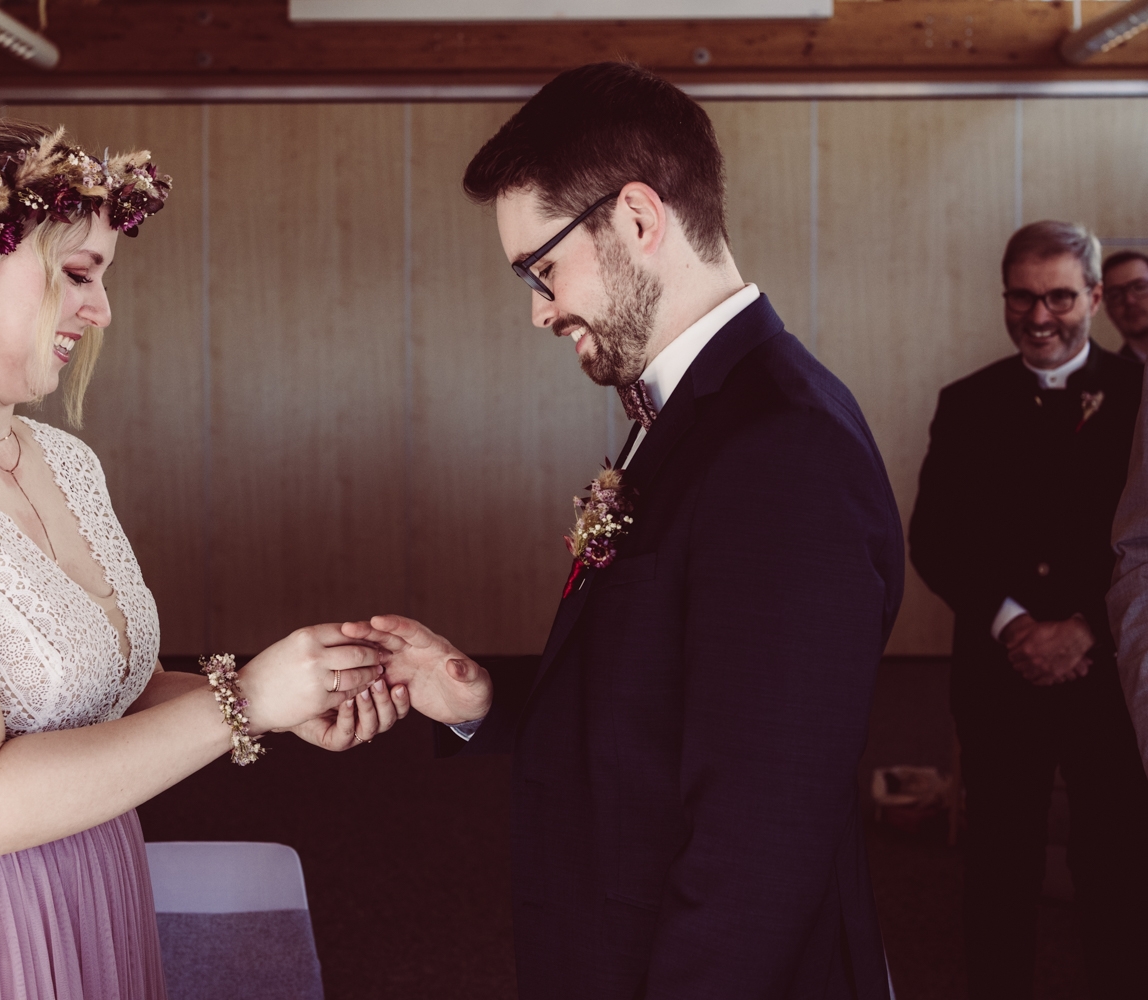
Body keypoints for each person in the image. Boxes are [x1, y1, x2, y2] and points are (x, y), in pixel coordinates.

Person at [0, 120, 406, 1000]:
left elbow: (95, 691)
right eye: (76, 275)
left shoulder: (60, 460)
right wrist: (244, 703)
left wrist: (279, 695)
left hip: (89, 878)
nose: (101, 310)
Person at [345, 62, 905, 999]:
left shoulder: (784, 445)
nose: (539, 308)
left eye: (543, 267)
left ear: (639, 220)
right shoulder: (697, 412)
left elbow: (759, 835)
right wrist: (480, 698)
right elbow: (668, 696)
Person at [910, 221, 1148, 999]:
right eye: (1022, 296)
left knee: (1114, 864)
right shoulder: (966, 401)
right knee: (999, 867)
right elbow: (936, 539)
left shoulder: (1141, 395)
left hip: (1107, 670)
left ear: (1095, 299)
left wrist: (1085, 626)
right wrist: (1013, 622)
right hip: (999, 673)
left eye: (1058, 298)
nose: (1039, 316)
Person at [1102, 249, 1148, 362]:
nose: (1129, 300)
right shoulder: (1112, 377)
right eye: (1115, 295)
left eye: (1139, 287)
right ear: (1108, 310)